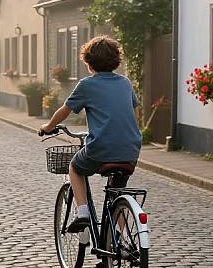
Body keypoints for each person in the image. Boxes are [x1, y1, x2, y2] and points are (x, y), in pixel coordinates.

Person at [40, 35, 142, 233]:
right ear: (116, 61)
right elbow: (134, 110)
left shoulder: (87, 85)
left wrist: (48, 126)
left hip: (101, 148)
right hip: (130, 149)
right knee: (117, 193)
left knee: (75, 168)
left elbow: (65, 110)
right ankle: (119, 241)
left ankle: (83, 212)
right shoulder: (125, 83)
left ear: (88, 63)